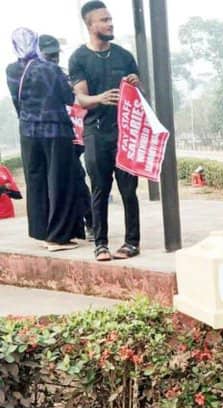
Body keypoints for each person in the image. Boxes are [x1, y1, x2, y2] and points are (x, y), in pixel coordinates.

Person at [69, 1, 142, 261]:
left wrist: (136, 84)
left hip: (125, 133)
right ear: (90, 25)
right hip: (96, 132)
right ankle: (100, 244)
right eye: (104, 20)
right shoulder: (79, 58)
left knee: (128, 190)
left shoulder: (124, 56)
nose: (110, 24)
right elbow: (80, 99)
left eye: (110, 19)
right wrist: (100, 98)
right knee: (100, 188)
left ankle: (132, 242)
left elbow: (138, 95)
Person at [6, 28, 78, 251]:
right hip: (55, 130)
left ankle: (41, 231)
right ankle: (58, 237)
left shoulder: (11, 70)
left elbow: (17, 103)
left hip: (28, 131)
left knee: (36, 182)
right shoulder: (50, 68)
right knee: (59, 181)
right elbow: (69, 98)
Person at [39, 33, 93, 242]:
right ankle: (72, 225)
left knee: (77, 179)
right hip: (53, 137)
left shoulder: (63, 75)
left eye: (55, 55)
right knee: (64, 182)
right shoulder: (37, 76)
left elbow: (75, 99)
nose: (54, 59)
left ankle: (90, 222)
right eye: (49, 55)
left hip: (72, 135)